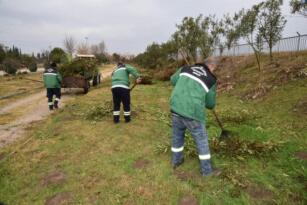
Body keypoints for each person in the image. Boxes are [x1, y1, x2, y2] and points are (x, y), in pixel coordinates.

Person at [169, 57, 220, 176]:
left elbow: (172, 80)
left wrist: (186, 84)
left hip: (176, 107)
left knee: (177, 136)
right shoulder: (211, 79)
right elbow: (210, 104)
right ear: (212, 67)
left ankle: (176, 161)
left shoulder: (186, 68)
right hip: (193, 113)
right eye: (214, 69)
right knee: (202, 141)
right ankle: (207, 172)